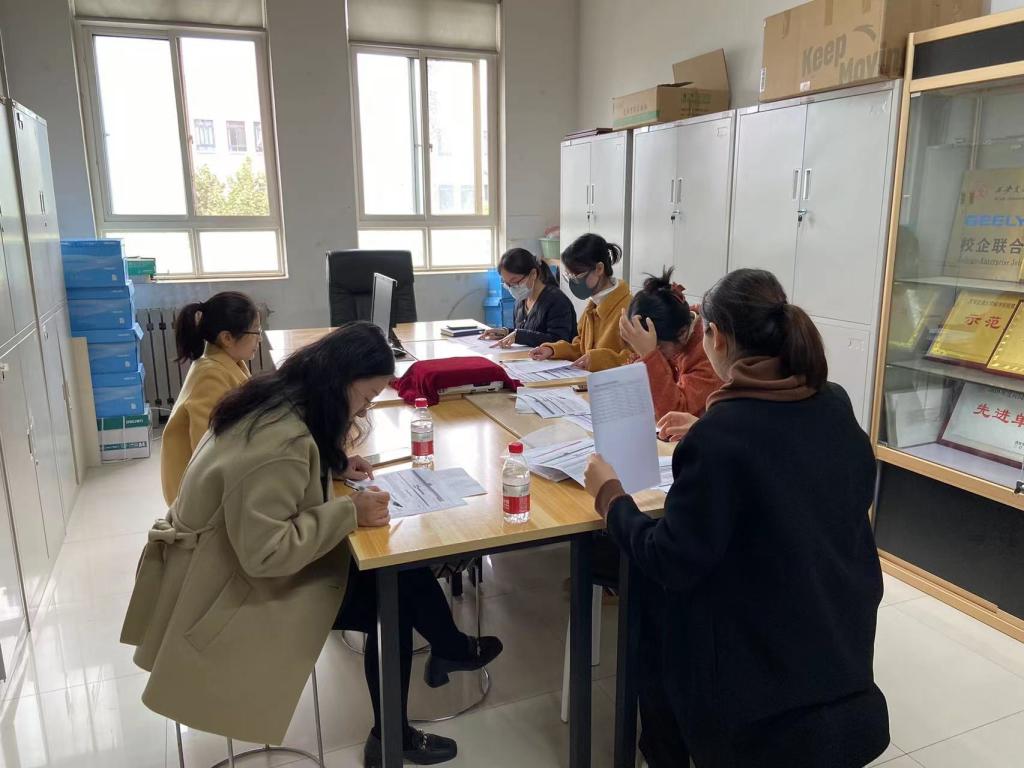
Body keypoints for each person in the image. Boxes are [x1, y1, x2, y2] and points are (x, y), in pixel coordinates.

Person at [121, 322, 503, 768]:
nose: (365, 410)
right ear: (339, 381)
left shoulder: (276, 399)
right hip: (228, 589)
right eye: (366, 398)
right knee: (392, 602)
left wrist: (332, 465)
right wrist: (348, 512)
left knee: (398, 573)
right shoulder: (281, 442)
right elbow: (266, 553)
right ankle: (398, 729)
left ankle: (449, 649)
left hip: (223, 562)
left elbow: (276, 487)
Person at [583, 269, 890, 768]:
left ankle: (665, 751)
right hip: (837, 632)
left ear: (717, 337)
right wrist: (703, 425)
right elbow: (790, 462)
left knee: (649, 598)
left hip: (754, 677)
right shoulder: (832, 401)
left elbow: (669, 558)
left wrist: (611, 496)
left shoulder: (723, 434)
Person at [160, 291, 261, 506]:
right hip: (196, 496)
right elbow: (208, 448)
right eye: (256, 332)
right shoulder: (210, 375)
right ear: (227, 338)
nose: (259, 339)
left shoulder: (228, 361)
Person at [618, 269, 722, 422]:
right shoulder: (673, 329)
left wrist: (650, 357)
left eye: (659, 348)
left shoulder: (708, 353)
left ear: (682, 333)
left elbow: (675, 415)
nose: (656, 354)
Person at [529, 233, 631, 372]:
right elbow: (581, 349)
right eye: (569, 276)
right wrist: (552, 350)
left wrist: (598, 359)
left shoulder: (628, 309)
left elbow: (637, 359)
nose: (574, 282)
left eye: (577, 275)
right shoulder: (593, 305)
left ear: (599, 269)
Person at [478, 247, 577, 349]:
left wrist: (518, 336)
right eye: (507, 284)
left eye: (515, 281)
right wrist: (506, 332)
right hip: (527, 357)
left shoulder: (556, 301)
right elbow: (527, 334)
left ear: (533, 274)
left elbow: (558, 341)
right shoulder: (520, 301)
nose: (512, 288)